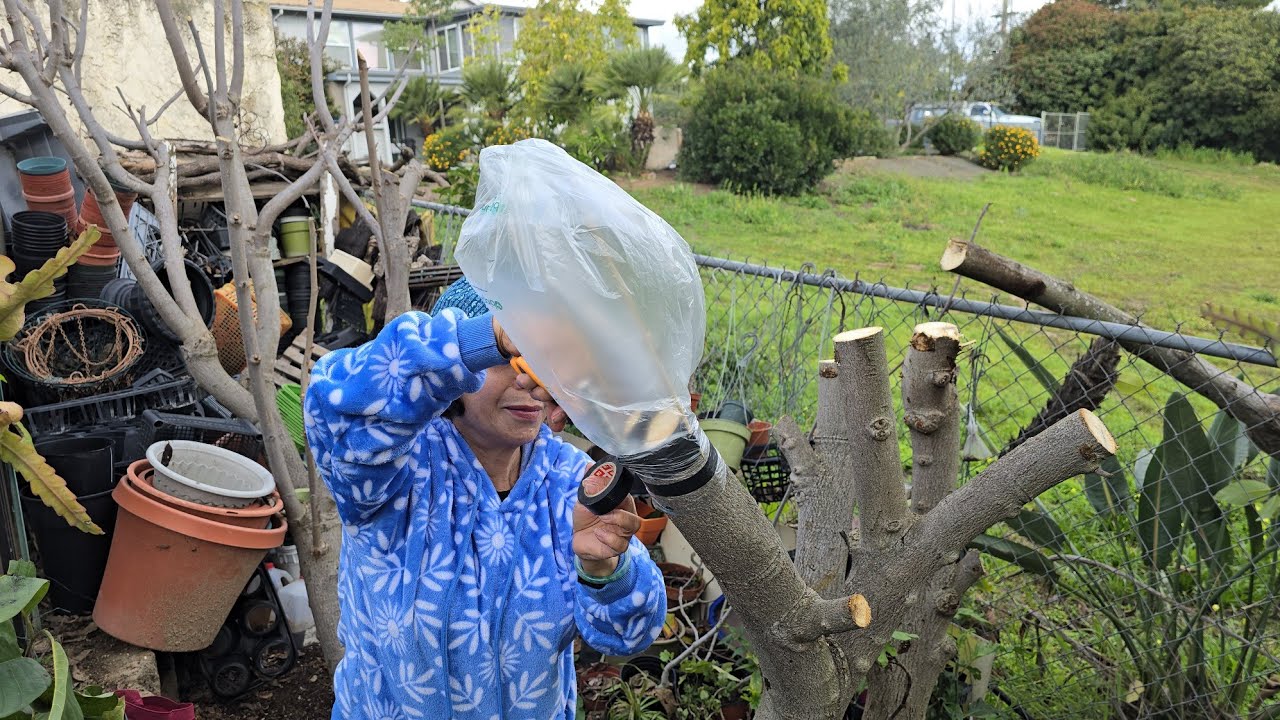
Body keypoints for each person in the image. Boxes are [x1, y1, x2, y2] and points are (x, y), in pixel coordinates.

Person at [304, 277, 668, 719]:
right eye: (509, 359)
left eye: (542, 362)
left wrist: (604, 569)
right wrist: (490, 335)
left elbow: (630, 633)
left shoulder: (569, 480)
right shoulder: (394, 472)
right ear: (456, 369)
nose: (529, 382)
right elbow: (333, 402)